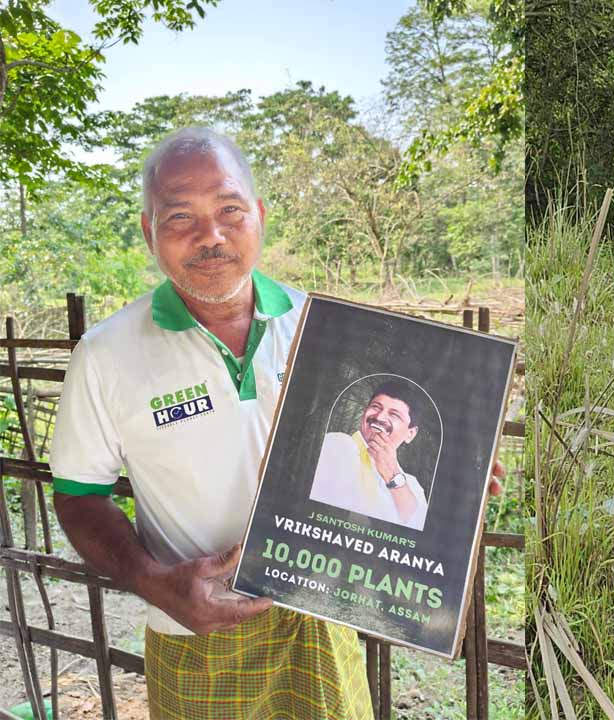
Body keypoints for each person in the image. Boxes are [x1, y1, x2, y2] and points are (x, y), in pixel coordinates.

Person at [48, 127, 501, 718]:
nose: (211, 236)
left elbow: (381, 485)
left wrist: (459, 484)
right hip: (196, 637)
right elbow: (80, 498)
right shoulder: (107, 354)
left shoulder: (325, 332)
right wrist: (155, 582)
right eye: (180, 216)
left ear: (259, 215)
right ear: (148, 231)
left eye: (230, 209)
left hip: (324, 624)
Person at [310, 378, 430, 530]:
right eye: (375, 407)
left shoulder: (414, 487)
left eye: (394, 415)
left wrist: (392, 475)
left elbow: (415, 529)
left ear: (410, 434)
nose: (379, 417)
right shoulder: (337, 444)